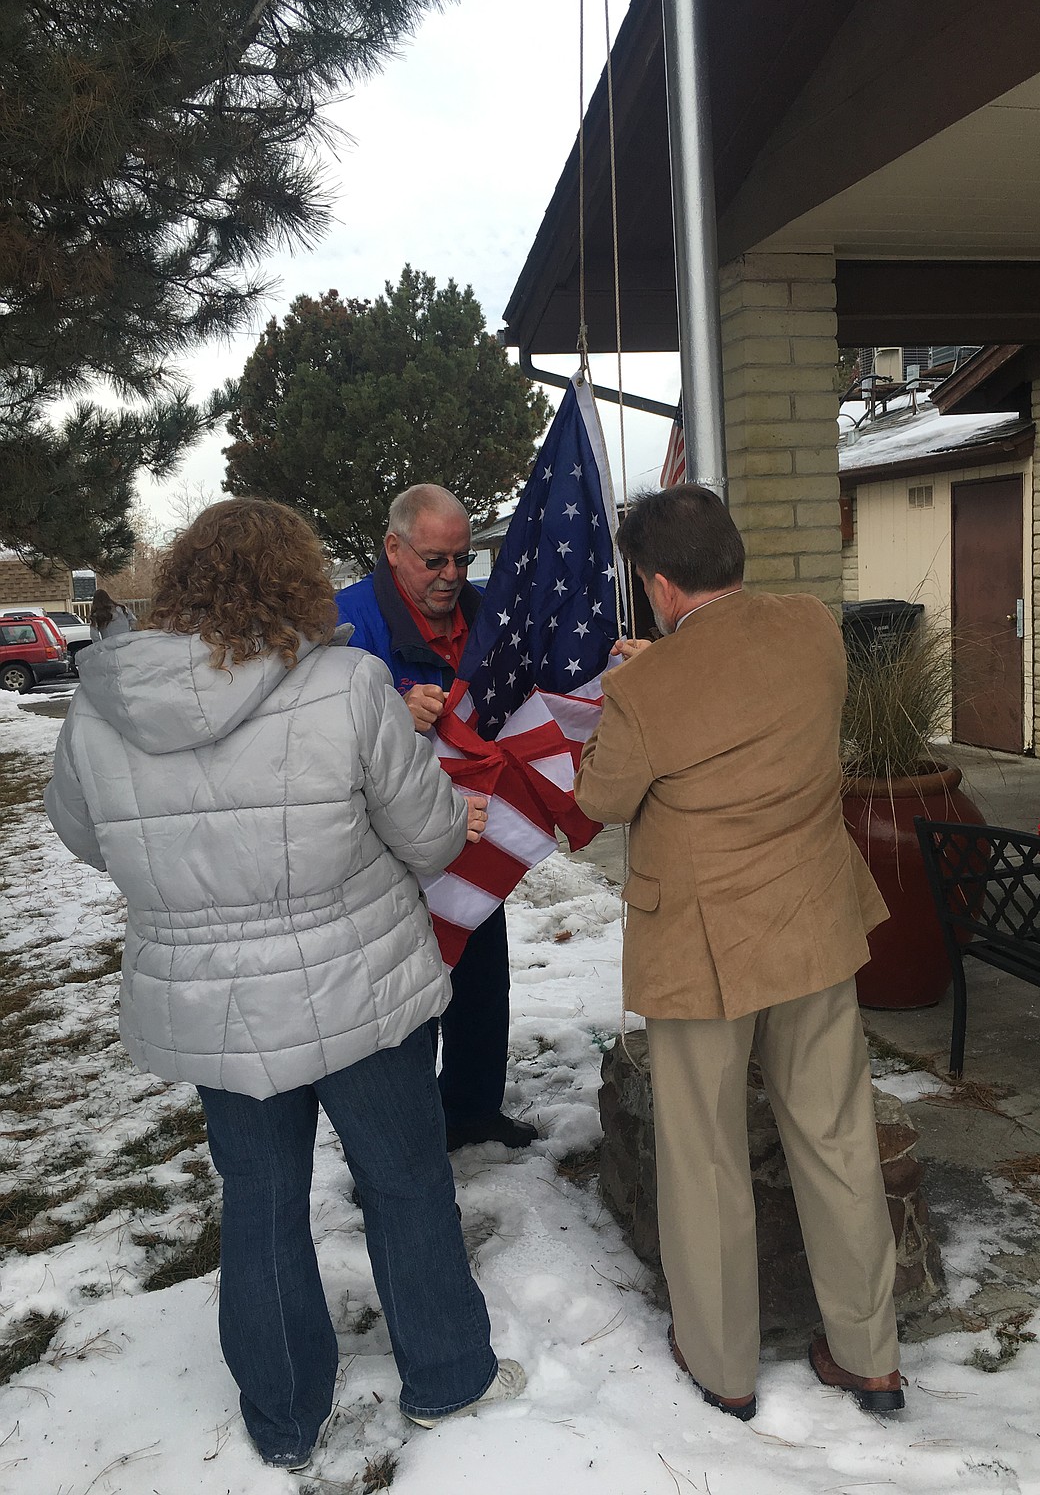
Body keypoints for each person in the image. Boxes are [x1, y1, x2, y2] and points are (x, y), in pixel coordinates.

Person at [44, 498, 525, 1469]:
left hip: (215, 1008)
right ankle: (448, 1373)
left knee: (259, 1199)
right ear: (300, 578)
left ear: (183, 578)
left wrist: (184, 878)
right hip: (362, 992)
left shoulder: (105, 705)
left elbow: (83, 830)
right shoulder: (352, 685)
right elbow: (431, 835)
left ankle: (282, 1416)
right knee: (405, 1179)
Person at [575, 485, 902, 1422]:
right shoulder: (811, 627)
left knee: (703, 1153)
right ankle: (869, 1356)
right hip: (813, 924)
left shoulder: (643, 691)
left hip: (702, 945)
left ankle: (722, 1365)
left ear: (661, 584)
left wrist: (631, 688)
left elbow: (602, 798)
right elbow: (734, 687)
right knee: (839, 1138)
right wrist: (668, 667)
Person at [336, 484, 536, 1153]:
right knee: (407, 999)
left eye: (462, 558)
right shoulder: (345, 621)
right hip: (387, 854)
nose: (452, 575)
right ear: (393, 549)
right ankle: (408, 1139)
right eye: (433, 561)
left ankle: (474, 1111)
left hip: (476, 833)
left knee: (482, 984)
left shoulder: (489, 618)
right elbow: (311, 731)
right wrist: (392, 708)